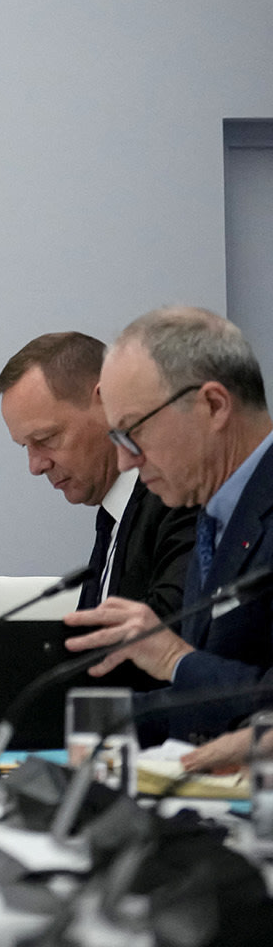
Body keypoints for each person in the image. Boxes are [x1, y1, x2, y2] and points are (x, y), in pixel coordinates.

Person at [64, 307, 273, 743]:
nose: (126, 461)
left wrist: (177, 659)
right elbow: (201, 699)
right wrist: (65, 722)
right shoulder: (215, 512)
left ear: (213, 405)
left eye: (132, 431)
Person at [0, 331, 197, 616]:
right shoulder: (113, 516)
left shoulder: (179, 498)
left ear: (107, 402)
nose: (36, 466)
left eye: (45, 438)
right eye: (25, 447)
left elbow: (168, 630)